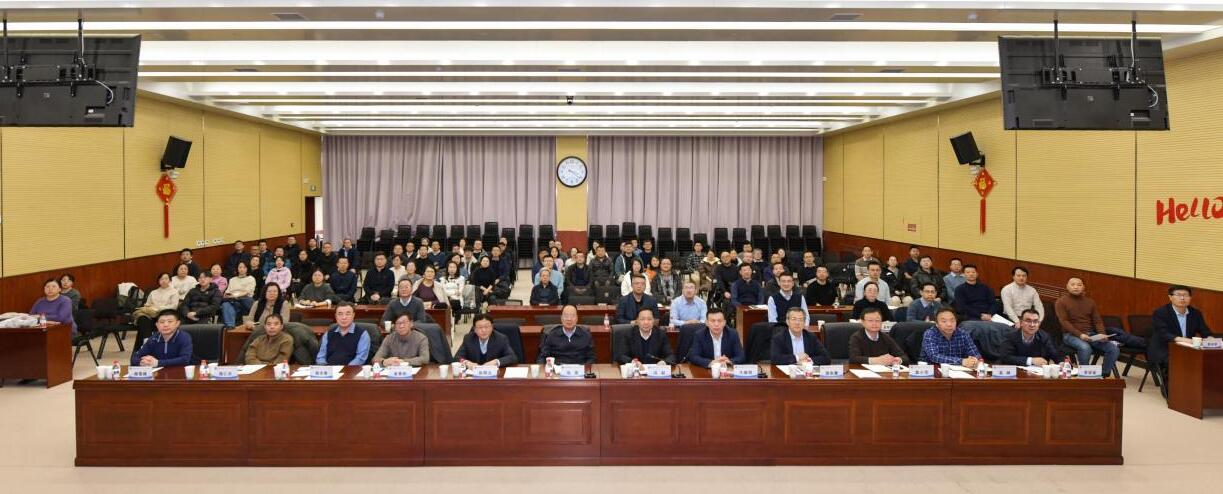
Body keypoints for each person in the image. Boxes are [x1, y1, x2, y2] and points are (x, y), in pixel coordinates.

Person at [1055, 277, 1145, 374]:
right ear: (1067, 286)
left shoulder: (1090, 302)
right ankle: (1083, 374)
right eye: (1072, 284)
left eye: (1079, 285)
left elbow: (1097, 321)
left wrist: (1102, 334)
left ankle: (1103, 373)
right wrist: (1080, 335)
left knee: (1113, 349)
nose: (1076, 287)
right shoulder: (1061, 302)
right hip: (1071, 335)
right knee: (1085, 348)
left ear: (1083, 287)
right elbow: (1064, 322)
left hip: (1090, 334)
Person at [1149, 285, 1213, 377]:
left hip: (1187, 349)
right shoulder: (1161, 312)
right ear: (1170, 297)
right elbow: (1164, 334)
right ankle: (1176, 384)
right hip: (1165, 349)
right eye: (1178, 295)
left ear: (1190, 298)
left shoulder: (1195, 313)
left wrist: (1210, 339)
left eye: (1186, 295)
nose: (1182, 298)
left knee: (1208, 361)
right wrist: (1185, 340)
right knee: (1179, 363)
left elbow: (1205, 331)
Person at [998, 309, 1063, 366]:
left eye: (1035, 321)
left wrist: (1061, 362)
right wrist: (1031, 360)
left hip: (1037, 373)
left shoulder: (1044, 336)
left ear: (1039, 324)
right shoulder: (1010, 336)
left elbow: (1055, 354)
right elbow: (1006, 357)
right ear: (1021, 323)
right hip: (1015, 372)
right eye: (1028, 321)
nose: (1032, 325)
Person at [454, 314, 519, 367]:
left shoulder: (501, 339)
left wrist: (496, 362)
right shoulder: (468, 338)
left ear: (492, 327)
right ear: (475, 329)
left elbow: (512, 357)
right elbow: (457, 357)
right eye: (480, 327)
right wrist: (466, 363)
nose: (484, 330)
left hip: (495, 375)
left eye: (487, 327)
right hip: (474, 376)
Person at [221, 262, 257, 328]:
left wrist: (235, 295)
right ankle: (230, 326)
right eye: (240, 267)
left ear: (247, 268)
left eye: (244, 267)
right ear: (237, 268)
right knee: (225, 304)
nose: (242, 269)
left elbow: (246, 292)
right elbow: (227, 293)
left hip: (246, 301)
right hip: (234, 301)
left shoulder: (251, 278)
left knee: (245, 299)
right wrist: (232, 295)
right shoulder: (232, 280)